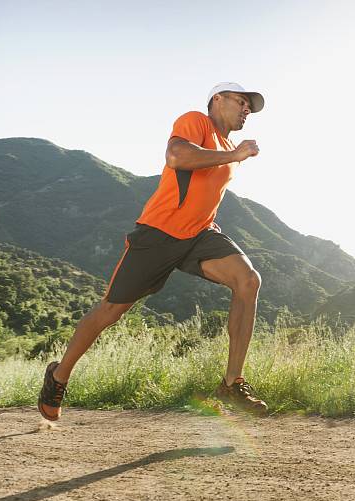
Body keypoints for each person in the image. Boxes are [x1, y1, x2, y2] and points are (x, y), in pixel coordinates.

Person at [38, 82, 268, 419]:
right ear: (218, 100)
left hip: (198, 236)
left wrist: (208, 219)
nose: (247, 110)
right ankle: (59, 376)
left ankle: (232, 383)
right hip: (158, 234)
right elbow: (176, 157)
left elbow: (204, 190)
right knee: (110, 312)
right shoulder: (196, 122)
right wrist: (235, 154)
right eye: (242, 102)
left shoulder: (229, 148)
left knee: (248, 281)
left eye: (251, 107)